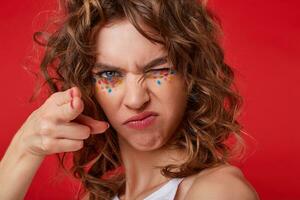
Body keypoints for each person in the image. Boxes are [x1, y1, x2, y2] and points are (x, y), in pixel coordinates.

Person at [0, 0, 259, 199]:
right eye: (110, 74)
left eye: (158, 69)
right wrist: (24, 149)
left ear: (190, 74)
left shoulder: (217, 192)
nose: (136, 100)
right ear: (88, 87)